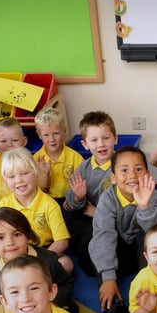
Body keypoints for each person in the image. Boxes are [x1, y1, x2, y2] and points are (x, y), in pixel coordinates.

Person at [88, 146, 157, 313]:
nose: (132, 175)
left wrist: (144, 206)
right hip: (117, 252)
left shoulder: (155, 197)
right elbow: (103, 236)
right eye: (124, 170)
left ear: (148, 174)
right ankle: (112, 305)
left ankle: (144, 304)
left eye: (138, 169)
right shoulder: (108, 199)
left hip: (142, 257)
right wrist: (108, 278)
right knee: (98, 245)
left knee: (148, 237)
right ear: (113, 177)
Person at [0, 147, 73, 273]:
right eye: (11, 176)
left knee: (66, 263)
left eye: (25, 173)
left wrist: (38, 261)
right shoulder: (3, 206)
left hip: (43, 251)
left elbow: (62, 242)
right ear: (5, 180)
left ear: (36, 172)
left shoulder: (50, 204)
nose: (19, 180)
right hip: (15, 251)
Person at [65, 111, 118, 276]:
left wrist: (98, 213)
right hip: (88, 212)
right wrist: (78, 197)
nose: (101, 144)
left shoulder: (121, 165)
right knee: (66, 213)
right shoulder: (84, 167)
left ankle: (97, 265)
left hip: (112, 217)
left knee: (97, 233)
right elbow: (71, 198)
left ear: (115, 138)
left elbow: (127, 202)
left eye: (106, 138)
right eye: (94, 140)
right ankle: (87, 254)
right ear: (85, 144)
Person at [32, 107, 84, 207]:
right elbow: (41, 191)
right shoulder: (36, 159)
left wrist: (72, 199)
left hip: (69, 201)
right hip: (46, 202)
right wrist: (45, 174)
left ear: (64, 131)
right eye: (46, 135)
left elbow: (81, 187)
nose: (52, 139)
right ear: (39, 135)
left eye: (56, 133)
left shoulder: (76, 158)